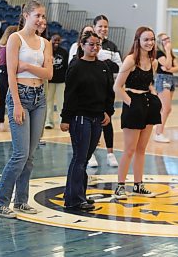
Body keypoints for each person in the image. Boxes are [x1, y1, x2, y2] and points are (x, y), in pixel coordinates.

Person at [0, 0, 52, 218]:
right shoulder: (15, 39)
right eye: (37, 15)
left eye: (43, 16)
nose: (41, 20)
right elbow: (11, 74)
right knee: (20, 154)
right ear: (25, 15)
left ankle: (21, 201)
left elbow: (49, 74)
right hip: (21, 96)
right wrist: (16, 103)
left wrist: (26, 66)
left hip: (39, 98)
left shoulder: (45, 43)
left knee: (30, 155)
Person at [60, 31, 114, 210]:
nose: (95, 48)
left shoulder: (103, 66)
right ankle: (75, 199)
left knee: (85, 157)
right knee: (80, 157)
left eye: (97, 44)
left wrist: (108, 111)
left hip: (97, 117)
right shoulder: (76, 66)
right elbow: (70, 95)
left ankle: (76, 194)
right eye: (91, 44)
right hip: (80, 117)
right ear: (82, 45)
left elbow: (108, 92)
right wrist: (65, 118)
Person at [113, 26, 161, 199]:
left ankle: (138, 185)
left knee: (142, 149)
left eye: (152, 39)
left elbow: (148, 84)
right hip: (133, 103)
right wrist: (131, 103)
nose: (149, 43)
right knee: (129, 149)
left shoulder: (153, 61)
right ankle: (120, 186)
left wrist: (154, 96)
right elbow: (117, 87)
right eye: (146, 39)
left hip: (148, 103)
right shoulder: (130, 60)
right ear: (138, 41)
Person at [89, 15, 121, 168]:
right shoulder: (88, 43)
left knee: (107, 120)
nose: (103, 29)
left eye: (105, 26)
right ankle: (91, 153)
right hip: (90, 89)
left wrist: (106, 64)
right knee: (92, 121)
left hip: (107, 89)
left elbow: (119, 67)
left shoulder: (112, 46)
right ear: (94, 27)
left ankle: (110, 153)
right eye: (100, 26)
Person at [153, 32, 178, 143]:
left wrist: (169, 68)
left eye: (168, 38)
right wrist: (168, 51)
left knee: (164, 108)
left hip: (170, 79)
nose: (167, 41)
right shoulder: (159, 53)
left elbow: (176, 68)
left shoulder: (170, 53)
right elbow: (167, 65)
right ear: (159, 42)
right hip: (162, 79)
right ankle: (159, 133)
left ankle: (157, 126)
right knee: (167, 108)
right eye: (164, 39)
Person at [0, 25, 17, 132]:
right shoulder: (3, 46)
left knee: (11, 97)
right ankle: (2, 122)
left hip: (11, 70)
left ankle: (12, 120)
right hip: (3, 71)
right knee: (5, 97)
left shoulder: (14, 45)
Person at [45, 33, 68, 129]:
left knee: (61, 102)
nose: (56, 42)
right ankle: (48, 122)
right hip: (49, 81)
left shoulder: (64, 52)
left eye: (58, 40)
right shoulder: (47, 51)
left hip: (61, 81)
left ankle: (61, 121)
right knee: (48, 102)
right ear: (51, 40)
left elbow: (66, 67)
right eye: (55, 40)